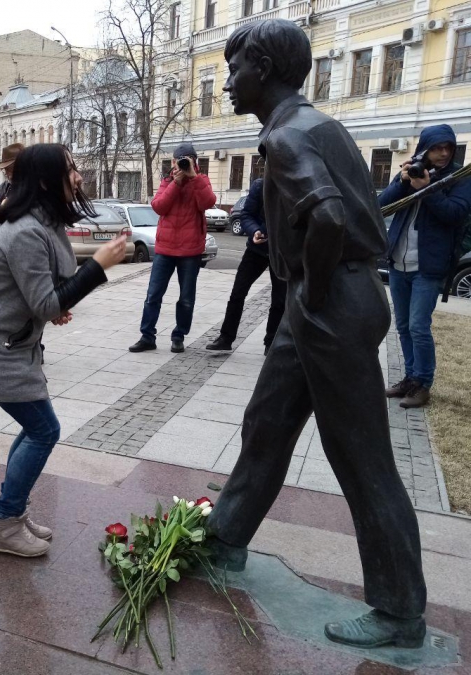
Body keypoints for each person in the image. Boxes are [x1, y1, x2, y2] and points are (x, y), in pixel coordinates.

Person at [207, 19, 427, 649]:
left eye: (236, 69)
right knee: (268, 422)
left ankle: (398, 610)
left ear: (266, 71)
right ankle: (225, 536)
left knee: (361, 459)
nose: (228, 82)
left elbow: (327, 217)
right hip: (330, 297)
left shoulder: (287, 138)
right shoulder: (313, 124)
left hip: (329, 300)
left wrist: (313, 295)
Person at [0, 144, 128, 558]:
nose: (79, 177)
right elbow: (46, 302)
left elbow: (46, 296)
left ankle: (12, 514)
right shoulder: (26, 231)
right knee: (44, 430)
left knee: (36, 429)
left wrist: (55, 304)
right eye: (71, 170)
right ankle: (5, 522)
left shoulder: (42, 222)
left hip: (13, 344)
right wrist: (97, 267)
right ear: (48, 179)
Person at [379, 124, 471, 409]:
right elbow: (381, 204)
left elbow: (454, 214)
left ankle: (423, 384)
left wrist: (427, 188)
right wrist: (403, 181)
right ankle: (410, 378)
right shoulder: (412, 170)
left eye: (448, 148)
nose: (443, 154)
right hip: (398, 261)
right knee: (404, 325)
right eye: (437, 148)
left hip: (428, 266)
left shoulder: (459, 179)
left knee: (419, 326)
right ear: (424, 150)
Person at [129, 143, 216, 354]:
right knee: (153, 295)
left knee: (186, 298)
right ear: (174, 163)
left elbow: (208, 202)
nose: (184, 163)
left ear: (195, 161)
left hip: (190, 251)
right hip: (165, 250)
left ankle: (179, 335)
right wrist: (175, 184)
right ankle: (147, 336)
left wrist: (193, 178)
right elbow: (159, 207)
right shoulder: (167, 182)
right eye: (180, 160)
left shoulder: (201, 181)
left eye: (189, 159)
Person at [206, 176, 286, 355]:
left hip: (283, 252)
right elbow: (247, 215)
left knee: (280, 300)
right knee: (237, 293)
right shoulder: (261, 185)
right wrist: (254, 231)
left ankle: (271, 343)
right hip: (257, 249)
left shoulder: (296, 184)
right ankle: (226, 338)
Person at [0, 142, 23, 239]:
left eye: (11, 168)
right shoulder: (2, 189)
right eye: (6, 169)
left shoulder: (37, 188)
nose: (7, 173)